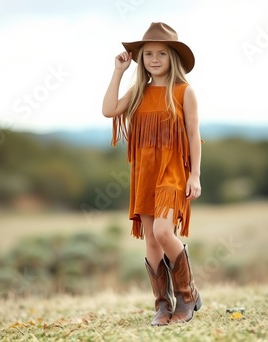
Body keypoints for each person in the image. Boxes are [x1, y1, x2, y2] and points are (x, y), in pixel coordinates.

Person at [102, 22, 202, 325]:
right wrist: (118, 71)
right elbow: (109, 110)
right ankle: (162, 304)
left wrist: (194, 175)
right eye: (147, 54)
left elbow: (194, 135)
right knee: (151, 240)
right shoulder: (138, 90)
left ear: (173, 57)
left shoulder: (184, 92)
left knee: (163, 231)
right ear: (140, 59)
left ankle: (187, 295)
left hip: (172, 172)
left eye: (161, 53)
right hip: (144, 173)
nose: (154, 59)